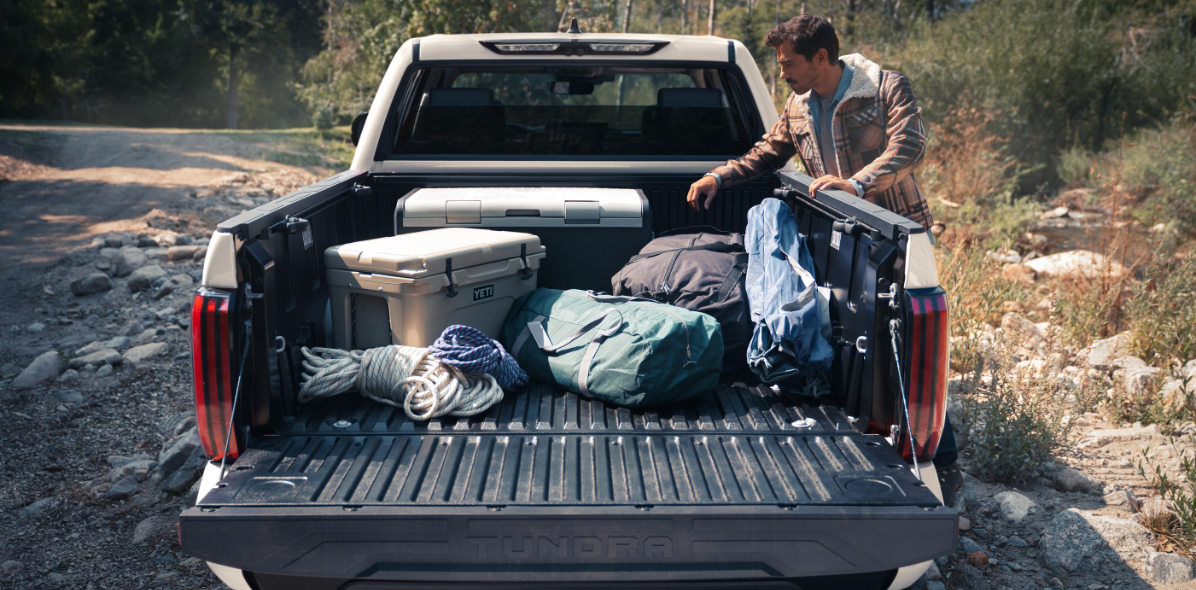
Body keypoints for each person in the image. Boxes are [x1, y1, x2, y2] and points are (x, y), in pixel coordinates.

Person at [686, 14, 961, 505]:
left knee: (908, 348)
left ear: (820, 58)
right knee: (852, 337)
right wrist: (720, 176)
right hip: (838, 236)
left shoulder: (883, 88)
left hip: (894, 236)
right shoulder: (798, 104)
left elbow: (911, 145)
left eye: (789, 63)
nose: (783, 72)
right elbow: (769, 151)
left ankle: (941, 462)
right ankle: (862, 426)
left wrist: (857, 185)